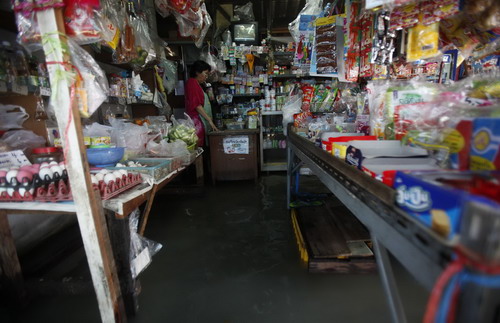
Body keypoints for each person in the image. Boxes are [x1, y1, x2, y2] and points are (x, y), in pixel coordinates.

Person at [185, 60, 219, 147]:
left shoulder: (197, 84)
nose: (206, 77)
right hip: (196, 122)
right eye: (205, 73)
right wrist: (209, 120)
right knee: (199, 148)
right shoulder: (192, 83)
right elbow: (197, 106)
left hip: (199, 121)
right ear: (197, 72)